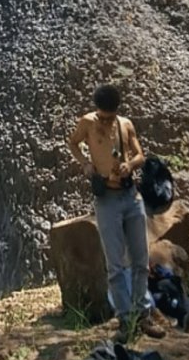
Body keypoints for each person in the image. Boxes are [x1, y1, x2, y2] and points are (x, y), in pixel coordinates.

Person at [68, 84, 168, 339]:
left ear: (116, 112)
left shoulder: (125, 125)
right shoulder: (87, 123)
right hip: (107, 200)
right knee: (114, 264)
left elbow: (140, 155)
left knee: (140, 260)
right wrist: (86, 165)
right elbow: (73, 144)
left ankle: (143, 314)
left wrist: (129, 165)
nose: (105, 120)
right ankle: (125, 319)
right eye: (102, 116)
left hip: (130, 196)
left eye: (109, 116)